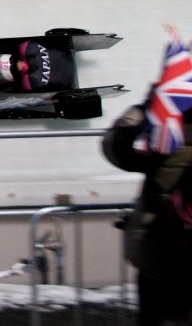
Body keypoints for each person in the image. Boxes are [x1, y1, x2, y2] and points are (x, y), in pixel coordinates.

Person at [103, 28, 192, 326]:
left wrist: (144, 111)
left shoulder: (168, 116)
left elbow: (119, 152)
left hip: (161, 252)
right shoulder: (169, 114)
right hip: (164, 248)